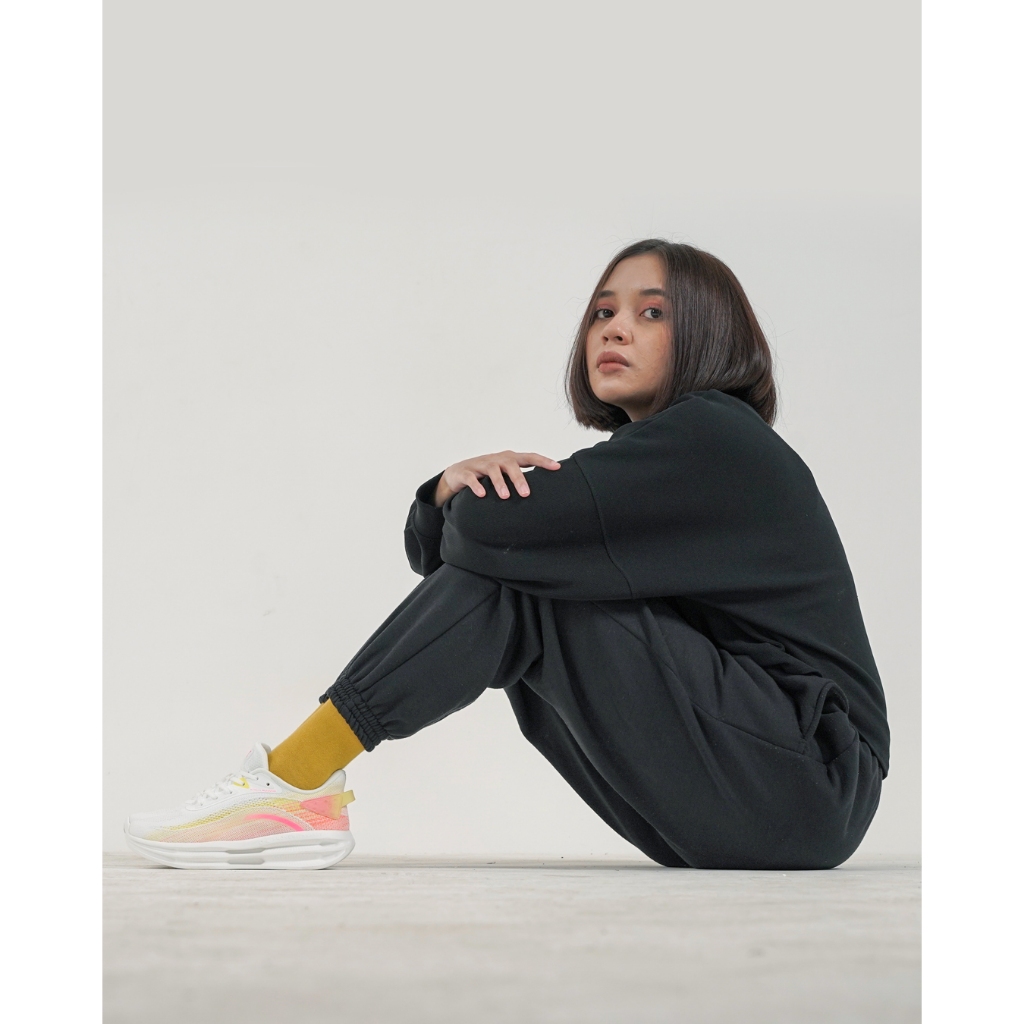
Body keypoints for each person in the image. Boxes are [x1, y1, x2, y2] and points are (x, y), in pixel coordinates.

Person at [124, 239, 888, 871]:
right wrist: (447, 494)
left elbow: (494, 538)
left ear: (711, 335)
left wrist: (453, 497)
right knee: (531, 575)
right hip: (762, 797)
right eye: (602, 313)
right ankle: (289, 789)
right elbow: (475, 547)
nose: (614, 330)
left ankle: (292, 784)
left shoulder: (715, 437)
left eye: (651, 313)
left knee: (528, 587)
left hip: (810, 777)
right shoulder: (669, 459)